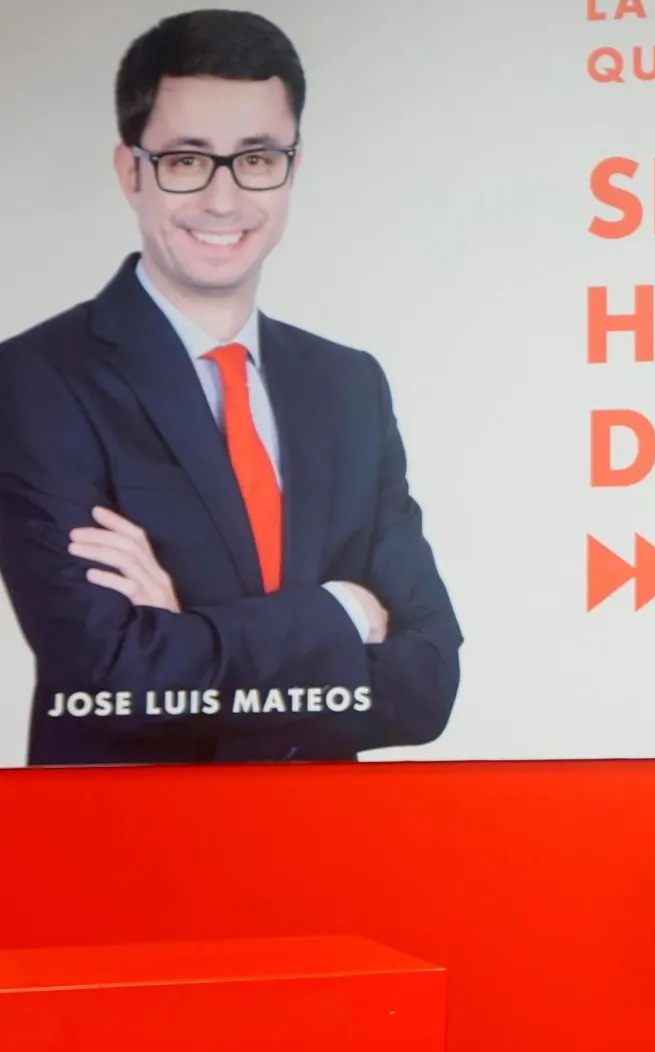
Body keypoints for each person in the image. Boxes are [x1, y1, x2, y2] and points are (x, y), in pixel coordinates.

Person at [0, 9, 461, 766]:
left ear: (292, 167)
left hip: (321, 855)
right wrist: (338, 615)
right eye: (186, 160)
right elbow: (114, 677)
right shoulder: (36, 381)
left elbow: (427, 685)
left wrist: (187, 637)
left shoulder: (350, 387)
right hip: (128, 857)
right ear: (131, 172)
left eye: (255, 158)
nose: (224, 199)